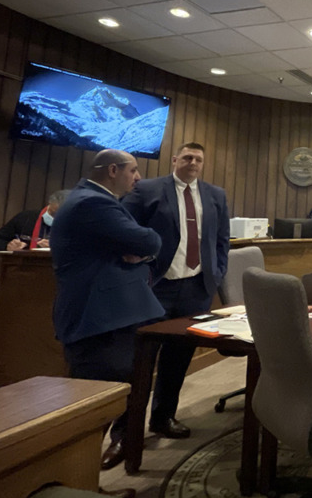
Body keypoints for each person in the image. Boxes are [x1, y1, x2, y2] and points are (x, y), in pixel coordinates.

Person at [51, 150, 163, 473]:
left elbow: (137, 247)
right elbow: (149, 241)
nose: (138, 177)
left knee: (110, 400)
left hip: (113, 318)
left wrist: (137, 252)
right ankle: (71, 486)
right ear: (113, 170)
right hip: (99, 322)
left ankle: (83, 483)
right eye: (134, 170)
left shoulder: (95, 201)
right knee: (93, 410)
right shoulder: (93, 203)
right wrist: (142, 248)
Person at [121, 142, 230, 439]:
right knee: (140, 360)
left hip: (197, 289)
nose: (193, 163)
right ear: (175, 160)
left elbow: (222, 241)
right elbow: (122, 228)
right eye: (188, 157)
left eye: (199, 159)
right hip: (156, 287)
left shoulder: (215, 195)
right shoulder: (148, 190)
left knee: (178, 360)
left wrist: (216, 274)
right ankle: (125, 434)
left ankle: (163, 417)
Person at [0, 189, 70, 251]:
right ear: (50, 204)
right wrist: (7, 246)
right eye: (53, 213)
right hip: (24, 269)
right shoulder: (25, 218)